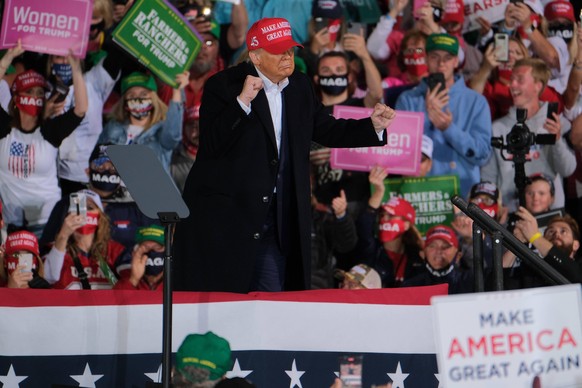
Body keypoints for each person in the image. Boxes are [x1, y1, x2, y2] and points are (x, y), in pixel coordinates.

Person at [173, 17, 396, 293]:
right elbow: (212, 146)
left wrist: (371, 127)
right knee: (225, 302)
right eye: (279, 51)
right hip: (230, 222)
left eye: (290, 50)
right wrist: (241, 103)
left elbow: (325, 129)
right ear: (255, 55)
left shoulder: (299, 87)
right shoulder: (224, 85)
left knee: (271, 300)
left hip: (276, 218)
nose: (287, 57)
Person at [0, 42, 88, 237]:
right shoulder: (4, 128)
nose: (35, 97)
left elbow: (80, 110)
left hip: (46, 223)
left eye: (40, 93)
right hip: (10, 224)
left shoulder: (49, 130)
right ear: (16, 98)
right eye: (29, 92)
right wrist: (8, 58)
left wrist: (76, 68)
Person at [395, 33, 492, 197]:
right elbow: (400, 152)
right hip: (422, 194)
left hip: (462, 194)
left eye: (447, 57)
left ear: (456, 62)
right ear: (425, 59)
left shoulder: (476, 101)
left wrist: (448, 128)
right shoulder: (408, 100)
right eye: (434, 57)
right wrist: (427, 116)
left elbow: (482, 155)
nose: (441, 63)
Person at [480, 58, 576, 212]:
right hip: (512, 214)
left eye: (520, 80)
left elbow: (568, 169)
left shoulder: (555, 123)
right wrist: (496, 207)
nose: (512, 85)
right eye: (512, 80)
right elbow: (488, 176)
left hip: (550, 216)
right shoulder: (497, 128)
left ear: (538, 86)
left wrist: (557, 139)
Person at [99, 71, 188, 172]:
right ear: (124, 101)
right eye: (131, 95)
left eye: (143, 94)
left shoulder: (161, 131)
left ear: (153, 99)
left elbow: (172, 137)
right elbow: (98, 157)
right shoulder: (113, 128)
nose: (138, 99)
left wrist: (177, 92)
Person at [43, 189, 129, 289]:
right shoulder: (56, 248)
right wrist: (63, 236)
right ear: (67, 214)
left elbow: (131, 282)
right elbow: (48, 278)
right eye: (78, 207)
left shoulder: (114, 250)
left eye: (90, 207)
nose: (84, 213)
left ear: (100, 216)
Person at [356, 168, 425, 287]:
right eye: (382, 215)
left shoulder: (417, 256)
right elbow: (364, 227)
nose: (384, 219)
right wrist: (378, 192)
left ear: (407, 224)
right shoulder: (372, 250)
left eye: (391, 215)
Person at [503, 211, 582, 288]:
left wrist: (535, 237)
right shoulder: (530, 271)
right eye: (551, 231)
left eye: (563, 231)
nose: (556, 234)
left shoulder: (578, 269)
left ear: (576, 245)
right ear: (544, 239)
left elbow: (575, 275)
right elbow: (496, 285)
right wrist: (516, 242)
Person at [403, 224, 473, 294]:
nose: (439, 251)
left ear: (458, 255)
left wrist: (471, 238)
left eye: (445, 246)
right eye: (432, 246)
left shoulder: (471, 281)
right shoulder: (410, 287)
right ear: (423, 254)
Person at [114, 225, 165, 290]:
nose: (151, 251)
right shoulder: (126, 275)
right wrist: (134, 279)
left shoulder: (176, 280)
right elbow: (117, 298)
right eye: (145, 247)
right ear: (134, 253)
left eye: (157, 247)